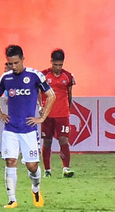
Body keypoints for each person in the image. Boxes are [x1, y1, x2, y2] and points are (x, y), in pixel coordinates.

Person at [0, 45, 56, 208]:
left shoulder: (35, 76)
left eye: (16, 63)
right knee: (10, 161)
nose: (13, 67)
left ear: (23, 59)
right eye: (10, 63)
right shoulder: (5, 78)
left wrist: (42, 117)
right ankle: (12, 199)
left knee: (32, 166)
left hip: (28, 130)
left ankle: (35, 190)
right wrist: (0, 113)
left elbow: (51, 95)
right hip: (10, 129)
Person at [39, 49, 77, 178]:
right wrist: (40, 107)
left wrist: (68, 110)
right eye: (55, 65)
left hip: (62, 114)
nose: (58, 68)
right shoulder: (43, 75)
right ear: (51, 62)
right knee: (47, 142)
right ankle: (47, 170)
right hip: (47, 114)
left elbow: (70, 94)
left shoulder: (68, 76)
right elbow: (39, 93)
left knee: (63, 140)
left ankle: (66, 168)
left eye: (60, 65)